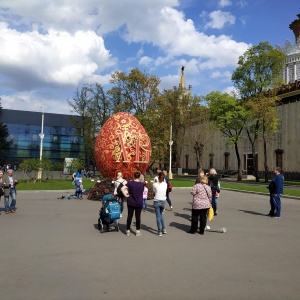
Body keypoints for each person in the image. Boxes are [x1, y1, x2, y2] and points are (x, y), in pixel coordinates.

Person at [125, 171, 144, 236]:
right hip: (139, 202)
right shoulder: (142, 184)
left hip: (131, 201)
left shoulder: (130, 183)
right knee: (138, 217)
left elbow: (122, 188)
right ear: (139, 176)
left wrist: (126, 195)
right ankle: (138, 231)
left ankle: (128, 230)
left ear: (134, 176)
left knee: (130, 216)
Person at [153, 172, 168, 236]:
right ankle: (164, 228)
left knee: (158, 216)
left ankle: (159, 231)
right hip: (163, 201)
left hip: (157, 200)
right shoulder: (165, 184)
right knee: (161, 215)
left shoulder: (155, 184)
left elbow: (154, 191)